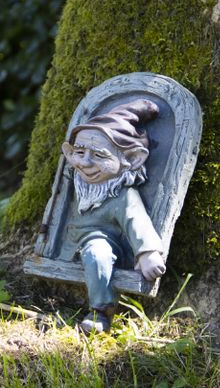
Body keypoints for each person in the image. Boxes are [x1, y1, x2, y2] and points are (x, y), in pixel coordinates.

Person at [59, 99, 167, 333]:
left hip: (99, 241)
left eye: (99, 155)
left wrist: (147, 252)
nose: (85, 162)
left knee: (96, 254)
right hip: (69, 244)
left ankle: (100, 311)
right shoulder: (75, 182)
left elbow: (136, 220)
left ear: (132, 159)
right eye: (79, 152)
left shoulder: (123, 195)